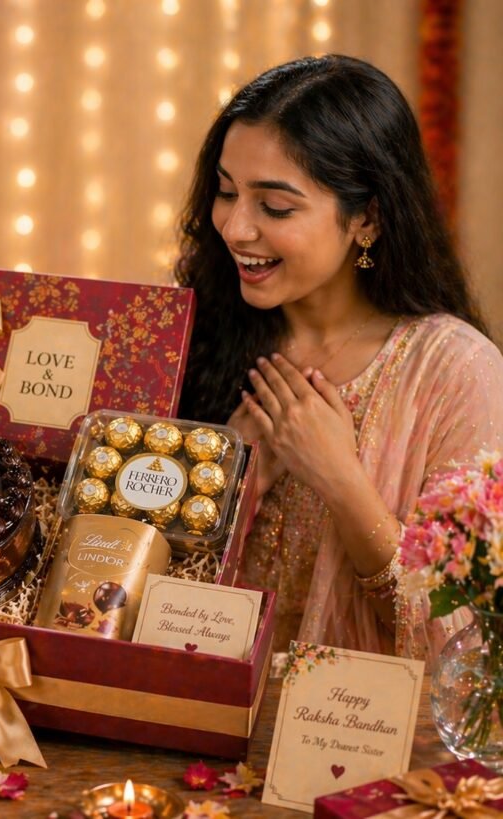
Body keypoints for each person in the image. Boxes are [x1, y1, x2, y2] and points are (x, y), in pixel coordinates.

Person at [174, 54, 503, 658]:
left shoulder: (457, 372)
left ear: (367, 219)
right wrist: (230, 488)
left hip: (362, 737)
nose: (235, 228)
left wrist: (340, 479)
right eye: (225, 192)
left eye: (275, 207)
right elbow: (107, 582)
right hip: (189, 714)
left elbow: (465, 636)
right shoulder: (191, 333)